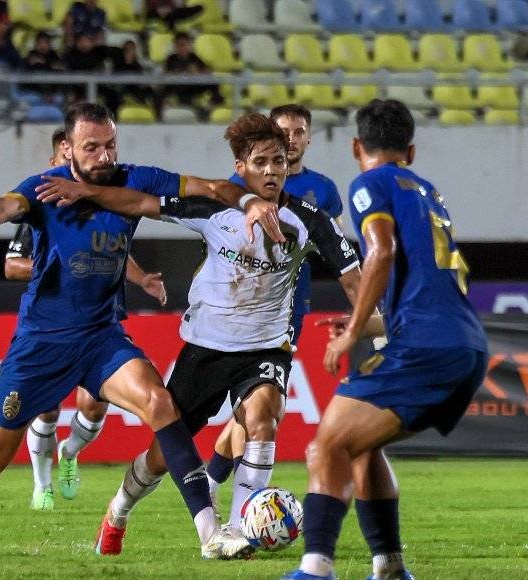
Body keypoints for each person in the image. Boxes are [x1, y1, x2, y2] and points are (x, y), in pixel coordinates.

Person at [0, 101, 284, 560]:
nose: (104, 156)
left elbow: (211, 187)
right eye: (92, 148)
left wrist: (250, 200)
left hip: (101, 338)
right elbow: (1, 209)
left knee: (160, 403)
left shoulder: (134, 178)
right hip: (41, 345)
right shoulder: (43, 189)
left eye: (110, 145)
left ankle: (210, 533)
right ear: (68, 151)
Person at [37, 113, 361, 557]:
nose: (272, 171)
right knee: (159, 457)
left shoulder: (310, 219)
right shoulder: (216, 209)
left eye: (280, 161)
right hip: (206, 347)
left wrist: (363, 326)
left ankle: (240, 528)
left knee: (263, 420)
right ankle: (118, 511)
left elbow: (354, 280)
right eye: (262, 161)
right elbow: (140, 203)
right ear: (241, 166)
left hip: (266, 345)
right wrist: (87, 191)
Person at [246, 99, 488, 580]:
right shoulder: (427, 192)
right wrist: (375, 322)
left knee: (326, 446)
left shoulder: (369, 184)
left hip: (423, 346)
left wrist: (353, 329)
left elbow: (380, 252)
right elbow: (425, 286)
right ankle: (390, 572)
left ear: (357, 147)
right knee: (361, 447)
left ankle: (315, 569)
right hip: (464, 343)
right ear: (411, 150)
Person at [5, 128, 167, 510]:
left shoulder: (105, 202)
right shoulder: (37, 209)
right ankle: (41, 485)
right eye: (67, 156)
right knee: (45, 407)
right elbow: (12, 267)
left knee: (94, 408)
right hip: (54, 326)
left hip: (100, 322)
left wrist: (142, 278)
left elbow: (112, 252)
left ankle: (71, 452)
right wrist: (51, 267)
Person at [207, 104, 345, 528]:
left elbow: (332, 242)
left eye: (299, 131)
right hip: (236, 311)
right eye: (284, 130)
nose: (291, 138)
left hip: (289, 311)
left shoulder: (321, 189)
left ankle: (219, 492)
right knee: (252, 413)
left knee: (253, 412)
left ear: (307, 138)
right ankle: (214, 485)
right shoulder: (243, 183)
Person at [162, 32, 223, 111]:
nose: (182, 48)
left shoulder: (194, 57)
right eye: (179, 45)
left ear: (189, 45)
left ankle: (212, 106)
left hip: (193, 85)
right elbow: (166, 74)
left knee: (213, 82)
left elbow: (206, 70)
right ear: (175, 46)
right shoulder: (171, 59)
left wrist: (198, 71)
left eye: (185, 45)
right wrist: (183, 72)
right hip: (178, 86)